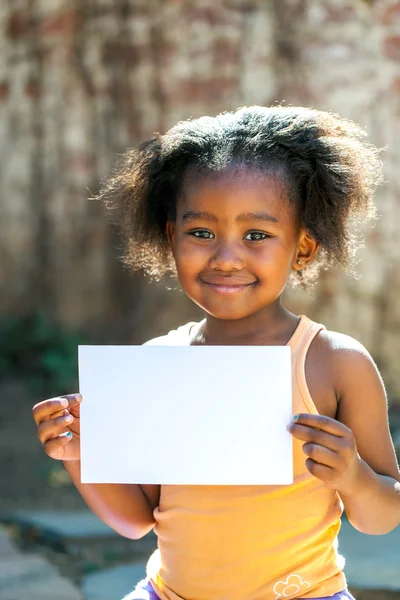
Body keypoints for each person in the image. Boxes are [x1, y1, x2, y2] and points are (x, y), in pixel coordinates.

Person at [32, 105, 400, 600]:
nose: (226, 257)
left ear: (303, 247)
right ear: (171, 237)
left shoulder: (334, 362)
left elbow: (383, 517)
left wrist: (354, 478)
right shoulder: (159, 362)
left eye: (257, 235)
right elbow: (138, 520)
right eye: (201, 232)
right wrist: (79, 454)